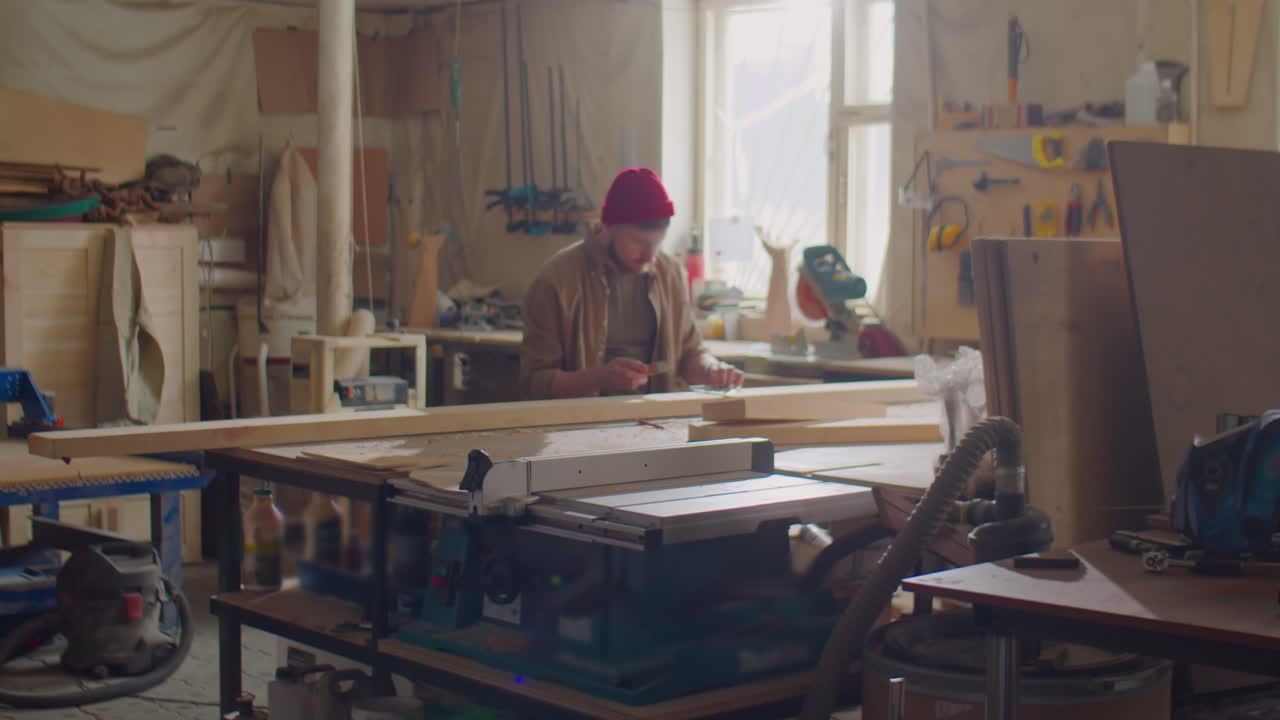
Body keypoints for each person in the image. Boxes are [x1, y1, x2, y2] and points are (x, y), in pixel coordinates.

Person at [520, 167, 744, 400]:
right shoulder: (557, 282)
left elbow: (690, 353)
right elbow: (534, 383)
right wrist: (599, 378)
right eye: (639, 242)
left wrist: (711, 369)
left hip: (655, 417)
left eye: (658, 243)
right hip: (584, 419)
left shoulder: (671, 274)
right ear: (609, 226)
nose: (650, 256)